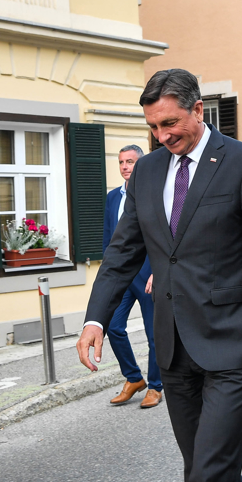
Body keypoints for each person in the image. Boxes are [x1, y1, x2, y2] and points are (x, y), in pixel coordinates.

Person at [77, 68, 242, 482]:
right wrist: (95, 317)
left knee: (212, 474)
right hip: (173, 350)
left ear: (198, 109)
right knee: (198, 479)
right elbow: (123, 252)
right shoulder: (147, 172)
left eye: (170, 123)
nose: (162, 136)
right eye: (153, 127)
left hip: (233, 347)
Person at [102, 144, 163, 408]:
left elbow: (163, 236)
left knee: (154, 334)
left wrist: (159, 271)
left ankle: (155, 386)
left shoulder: (154, 193)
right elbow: (109, 238)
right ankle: (133, 378)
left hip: (148, 274)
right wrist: (108, 273)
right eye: (121, 162)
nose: (125, 167)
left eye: (130, 162)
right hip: (122, 275)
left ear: (142, 165)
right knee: (113, 326)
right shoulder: (113, 197)